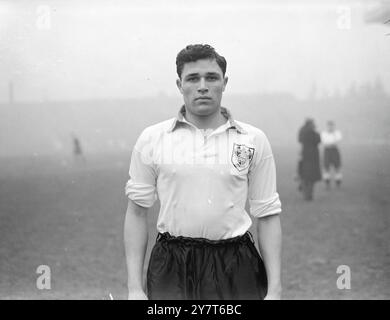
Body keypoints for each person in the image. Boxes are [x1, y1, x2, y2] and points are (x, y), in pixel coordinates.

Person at [124, 44, 282, 300]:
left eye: (211, 77)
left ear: (224, 82)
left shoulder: (253, 139)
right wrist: (134, 288)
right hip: (171, 265)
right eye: (193, 78)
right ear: (179, 84)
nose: (202, 86)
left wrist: (275, 289)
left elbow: (268, 214)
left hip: (236, 264)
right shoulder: (152, 138)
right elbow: (136, 212)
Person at [297, 118, 322, 201]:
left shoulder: (302, 132)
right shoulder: (314, 133)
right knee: (312, 177)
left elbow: (299, 140)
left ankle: (305, 193)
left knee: (304, 175)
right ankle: (309, 194)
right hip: (313, 156)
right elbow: (318, 140)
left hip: (304, 154)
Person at [321, 120, 342, 189]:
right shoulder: (323, 133)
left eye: (331, 126)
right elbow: (324, 141)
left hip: (334, 150)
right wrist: (331, 142)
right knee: (326, 167)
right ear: (327, 126)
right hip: (327, 150)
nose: (330, 127)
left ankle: (338, 183)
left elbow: (338, 140)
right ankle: (327, 183)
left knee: (337, 167)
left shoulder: (337, 133)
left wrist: (333, 135)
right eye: (329, 126)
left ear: (333, 126)